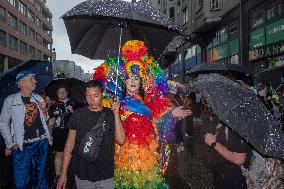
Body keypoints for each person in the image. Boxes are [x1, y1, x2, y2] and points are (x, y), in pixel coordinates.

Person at [93, 40, 192, 188]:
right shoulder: (115, 102)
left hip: (146, 155)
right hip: (124, 155)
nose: (133, 81)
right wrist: (114, 111)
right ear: (124, 81)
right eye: (129, 78)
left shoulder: (148, 104)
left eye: (136, 78)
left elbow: (159, 126)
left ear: (141, 82)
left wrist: (172, 115)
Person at [57, 80, 125, 189]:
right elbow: (69, 145)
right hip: (83, 174)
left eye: (95, 95)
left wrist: (116, 114)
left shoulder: (110, 115)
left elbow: (121, 140)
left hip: (105, 175)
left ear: (102, 95)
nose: (92, 100)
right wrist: (63, 173)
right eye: (88, 96)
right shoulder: (78, 114)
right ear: (85, 96)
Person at [0, 70, 51, 189]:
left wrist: (44, 110)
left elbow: (45, 118)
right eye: (31, 79)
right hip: (23, 145)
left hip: (41, 142)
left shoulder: (38, 97)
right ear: (21, 82)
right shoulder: (11, 100)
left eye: (34, 79)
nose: (35, 81)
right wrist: (10, 144)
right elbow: (3, 124)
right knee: (21, 180)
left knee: (40, 177)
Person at [204, 121, 251, 189]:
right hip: (221, 175)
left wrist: (213, 143)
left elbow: (239, 159)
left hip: (231, 179)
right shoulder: (227, 122)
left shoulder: (236, 125)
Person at [48, 86, 74, 184]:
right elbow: (51, 121)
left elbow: (78, 117)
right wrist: (49, 134)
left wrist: (72, 111)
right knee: (59, 153)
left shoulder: (73, 103)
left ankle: (66, 173)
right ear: (57, 94)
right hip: (58, 132)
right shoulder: (54, 105)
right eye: (60, 92)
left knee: (69, 153)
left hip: (70, 131)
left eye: (64, 92)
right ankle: (58, 175)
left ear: (67, 93)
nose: (62, 94)